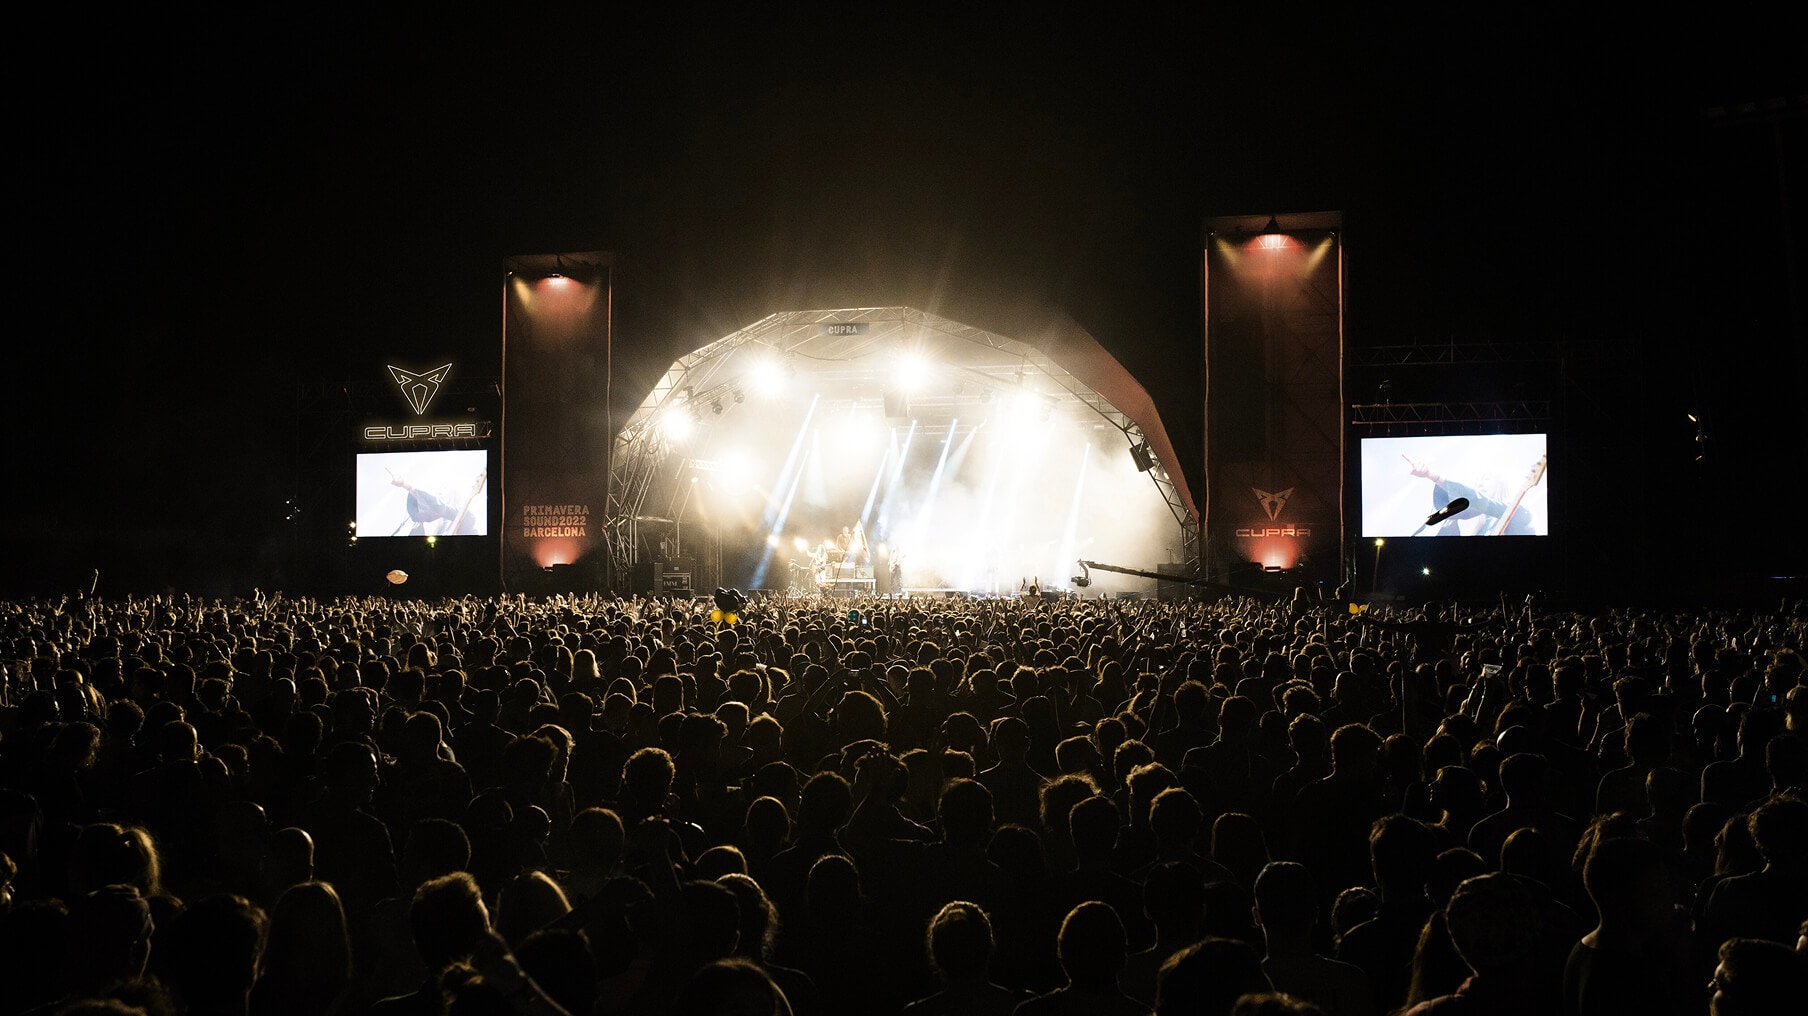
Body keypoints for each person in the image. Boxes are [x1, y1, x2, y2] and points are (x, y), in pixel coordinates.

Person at [1401, 456, 1537, 536]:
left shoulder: (1516, 513)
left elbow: (1479, 500)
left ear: (1500, 485)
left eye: (1487, 478)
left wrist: (1432, 475)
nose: (1479, 483)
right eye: (1477, 481)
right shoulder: (1453, 523)